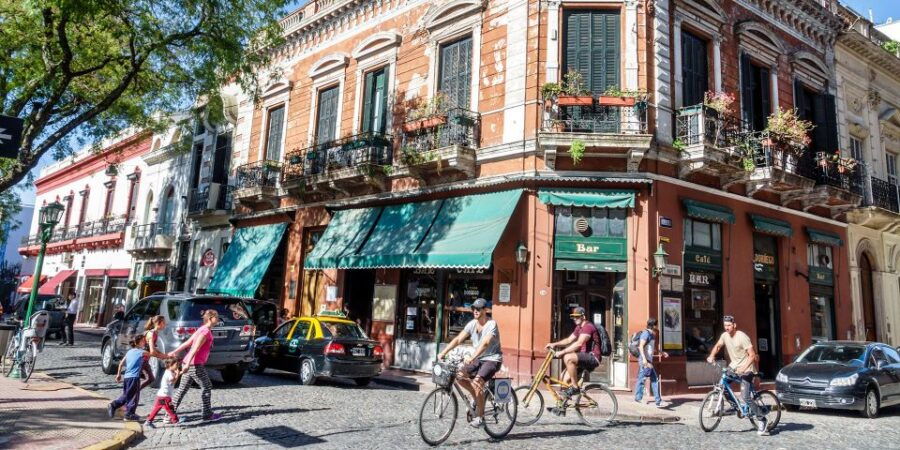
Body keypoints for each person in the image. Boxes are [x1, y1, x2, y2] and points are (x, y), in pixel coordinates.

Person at [436, 298, 501, 428]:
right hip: (478, 359)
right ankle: (476, 398)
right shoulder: (472, 324)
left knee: (477, 383)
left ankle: (480, 418)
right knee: (459, 375)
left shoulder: (491, 324)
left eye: (478, 309)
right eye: (473, 308)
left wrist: (472, 356)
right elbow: (458, 339)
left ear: (485, 310)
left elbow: (485, 343)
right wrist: (444, 352)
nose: (475, 311)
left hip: (492, 359)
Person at [706, 315, 768, 436]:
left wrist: (743, 368)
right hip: (734, 366)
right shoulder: (724, 336)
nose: (727, 328)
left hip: (747, 369)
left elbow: (752, 355)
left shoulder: (742, 337)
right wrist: (711, 356)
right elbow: (718, 346)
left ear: (734, 325)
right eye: (725, 326)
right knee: (722, 385)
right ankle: (737, 407)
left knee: (745, 396)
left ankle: (762, 419)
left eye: (729, 325)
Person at [169, 309, 221, 422]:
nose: (218, 319)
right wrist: (187, 364)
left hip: (190, 363)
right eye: (216, 317)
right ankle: (207, 414)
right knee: (207, 386)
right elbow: (194, 348)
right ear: (210, 318)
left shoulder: (201, 329)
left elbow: (187, 343)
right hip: (194, 364)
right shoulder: (205, 332)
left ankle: (168, 415)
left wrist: (175, 352)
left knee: (182, 390)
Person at [545, 307, 602, 398]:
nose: (575, 319)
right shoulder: (579, 328)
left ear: (583, 316)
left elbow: (578, 344)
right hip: (584, 357)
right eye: (573, 317)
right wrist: (554, 344)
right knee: (563, 378)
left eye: (577, 317)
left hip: (593, 357)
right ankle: (562, 407)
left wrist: (562, 352)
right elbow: (568, 340)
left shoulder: (588, 327)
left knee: (568, 357)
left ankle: (575, 388)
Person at [108, 335, 149, 421]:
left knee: (127, 395)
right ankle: (128, 413)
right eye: (143, 340)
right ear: (138, 343)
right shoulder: (140, 352)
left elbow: (121, 364)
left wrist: (118, 374)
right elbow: (153, 353)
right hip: (134, 377)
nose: (144, 342)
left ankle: (116, 406)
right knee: (133, 396)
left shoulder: (129, 352)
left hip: (127, 377)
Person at [634, 318, 669, 407]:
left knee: (644, 378)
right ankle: (656, 401)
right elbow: (640, 346)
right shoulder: (646, 333)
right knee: (651, 379)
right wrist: (645, 360)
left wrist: (662, 353)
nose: (657, 326)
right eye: (656, 325)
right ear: (653, 325)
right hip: (645, 360)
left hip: (648, 360)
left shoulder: (652, 334)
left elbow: (653, 348)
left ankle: (640, 398)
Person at [145, 358, 182, 428]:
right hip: (165, 396)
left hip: (160, 395)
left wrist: (179, 373)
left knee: (156, 409)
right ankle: (176, 421)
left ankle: (148, 421)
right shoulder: (169, 373)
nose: (178, 366)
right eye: (176, 365)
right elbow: (173, 381)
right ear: (170, 365)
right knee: (170, 409)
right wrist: (177, 375)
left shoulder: (167, 371)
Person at [141, 315, 169, 389]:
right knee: (149, 379)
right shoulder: (152, 334)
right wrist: (162, 356)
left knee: (149, 378)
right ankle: (132, 393)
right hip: (141, 359)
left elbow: (153, 349)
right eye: (164, 322)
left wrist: (164, 356)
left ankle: (132, 393)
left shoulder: (153, 333)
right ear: (158, 323)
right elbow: (152, 351)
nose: (165, 324)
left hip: (143, 359)